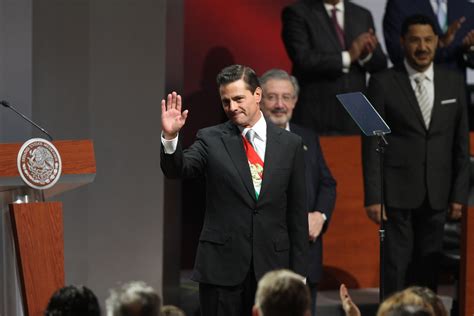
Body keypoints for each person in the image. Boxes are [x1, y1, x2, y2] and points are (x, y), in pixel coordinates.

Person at [160, 64, 308, 316]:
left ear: (257, 95)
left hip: (273, 269)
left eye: (238, 98)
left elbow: (296, 213)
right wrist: (170, 137)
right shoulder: (210, 138)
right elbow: (179, 169)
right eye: (225, 101)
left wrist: (299, 273)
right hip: (222, 269)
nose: (232, 107)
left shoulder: (290, 144)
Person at [362, 14, 470, 296]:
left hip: (438, 194)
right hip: (396, 194)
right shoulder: (382, 82)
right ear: (403, 42)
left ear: (438, 42)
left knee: (428, 268)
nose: (422, 47)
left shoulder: (454, 82)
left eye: (428, 40)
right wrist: (374, 196)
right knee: (395, 266)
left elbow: (461, 144)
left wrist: (460, 194)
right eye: (415, 40)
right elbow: (372, 142)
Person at [259, 68, 336, 315]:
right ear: (259, 99)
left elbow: (327, 183)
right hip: (264, 256)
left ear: (295, 101)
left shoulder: (308, 137)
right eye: (272, 97)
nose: (279, 104)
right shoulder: (246, 139)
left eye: (286, 97)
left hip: (305, 253)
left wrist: (320, 216)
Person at [281, 0, 387, 135]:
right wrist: (348, 56)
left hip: (357, 113)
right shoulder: (297, 13)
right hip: (317, 112)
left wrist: (364, 56)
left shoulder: (362, 14)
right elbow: (303, 59)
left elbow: (380, 63)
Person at [383, 0, 474, 73]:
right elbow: (396, 54)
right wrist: (439, 44)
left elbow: (470, 60)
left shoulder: (468, 8)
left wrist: (469, 49)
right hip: (412, 89)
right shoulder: (399, 4)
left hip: (455, 91)